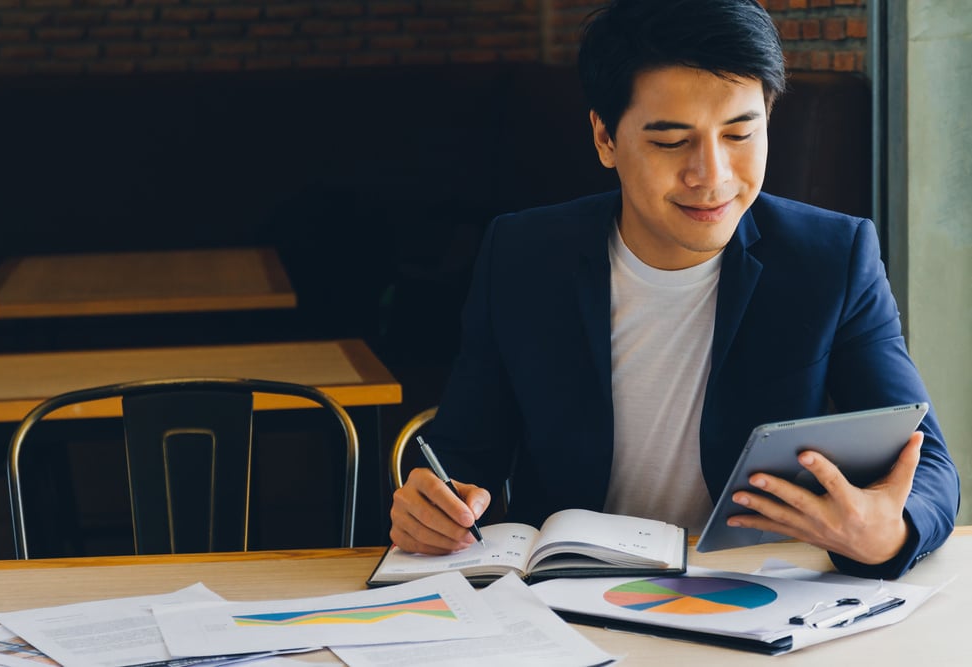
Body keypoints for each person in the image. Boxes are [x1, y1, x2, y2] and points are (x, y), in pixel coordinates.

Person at [389, 0, 959, 579]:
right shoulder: (523, 256)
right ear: (605, 138)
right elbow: (462, 457)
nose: (711, 176)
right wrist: (432, 507)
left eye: (739, 133)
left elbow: (928, 462)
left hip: (753, 593)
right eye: (670, 142)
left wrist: (889, 530)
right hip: (567, 598)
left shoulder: (832, 257)